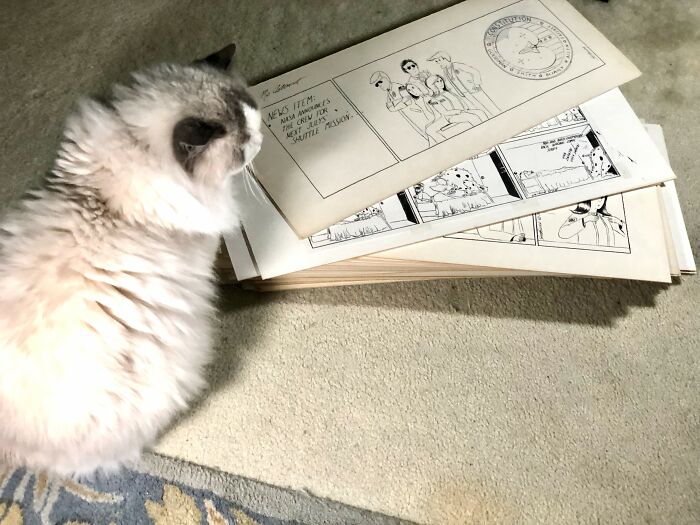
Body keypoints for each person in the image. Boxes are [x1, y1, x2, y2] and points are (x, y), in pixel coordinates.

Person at [428, 51, 500, 118]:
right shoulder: (445, 71)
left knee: (489, 106)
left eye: (438, 61)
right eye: (436, 62)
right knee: (480, 108)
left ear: (444, 59)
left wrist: (477, 84)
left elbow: (474, 71)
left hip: (474, 90)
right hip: (464, 94)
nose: (438, 64)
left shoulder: (456, 65)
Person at [370, 71, 429, 140]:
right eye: (377, 85)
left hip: (414, 111)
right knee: (421, 132)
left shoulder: (398, 87)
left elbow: (407, 99)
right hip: (408, 115)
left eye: (380, 82)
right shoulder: (388, 93)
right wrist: (397, 104)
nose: (380, 85)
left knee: (426, 129)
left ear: (386, 78)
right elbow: (389, 107)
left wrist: (395, 107)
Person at [558, 197, 626, 247]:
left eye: (602, 198)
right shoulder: (578, 216)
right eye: (597, 197)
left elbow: (627, 235)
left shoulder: (605, 219)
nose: (600, 200)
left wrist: (619, 222)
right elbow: (563, 233)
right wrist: (585, 220)